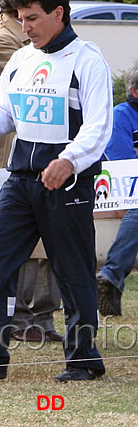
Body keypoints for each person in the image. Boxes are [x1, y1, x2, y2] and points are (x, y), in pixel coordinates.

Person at [0, 0, 112, 382]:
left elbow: (99, 125)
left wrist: (69, 161)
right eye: (20, 19)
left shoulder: (88, 59)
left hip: (66, 183)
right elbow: (3, 117)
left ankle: (84, 358)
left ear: (59, 13)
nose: (26, 28)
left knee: (72, 271)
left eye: (33, 18)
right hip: (20, 180)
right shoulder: (22, 59)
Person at [0, 0, 63, 344]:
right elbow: (8, 101)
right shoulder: (4, 40)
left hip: (56, 158)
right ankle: (19, 318)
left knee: (52, 246)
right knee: (22, 247)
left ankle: (42, 317)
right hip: (19, 152)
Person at [97, 60, 138, 316]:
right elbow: (125, 165)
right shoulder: (120, 115)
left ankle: (111, 278)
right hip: (116, 187)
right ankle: (110, 276)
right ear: (136, 92)